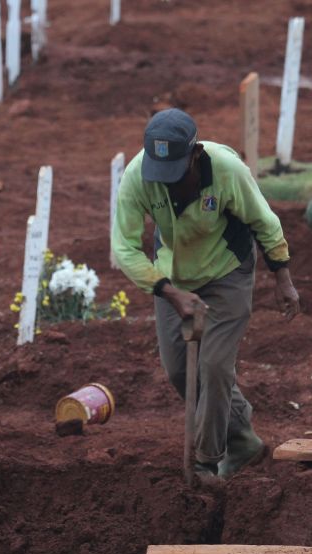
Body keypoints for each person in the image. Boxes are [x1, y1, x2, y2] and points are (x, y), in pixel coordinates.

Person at [112, 108, 300, 482]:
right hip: (173, 278)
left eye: (175, 174)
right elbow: (125, 248)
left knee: (213, 367)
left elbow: (265, 222)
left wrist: (283, 277)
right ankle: (242, 437)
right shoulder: (138, 177)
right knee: (182, 372)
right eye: (160, 175)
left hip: (227, 272)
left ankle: (207, 462)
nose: (167, 183)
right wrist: (168, 291)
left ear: (195, 154)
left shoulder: (228, 170)